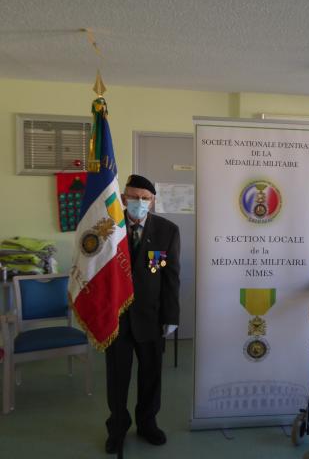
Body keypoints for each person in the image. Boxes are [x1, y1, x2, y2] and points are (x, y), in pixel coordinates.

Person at [105, 174, 180, 454]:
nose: (139, 202)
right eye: (134, 197)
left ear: (153, 201)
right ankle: (117, 428)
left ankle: (148, 423)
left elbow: (170, 277)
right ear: (123, 198)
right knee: (117, 378)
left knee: (151, 376)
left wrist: (171, 317)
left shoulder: (166, 231)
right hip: (118, 319)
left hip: (151, 317)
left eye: (145, 198)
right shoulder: (108, 228)